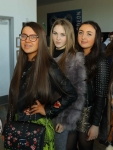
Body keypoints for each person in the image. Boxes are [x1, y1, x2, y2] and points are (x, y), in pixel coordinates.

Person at [3, 22, 78, 150]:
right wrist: (8, 125)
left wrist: (48, 110)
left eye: (33, 37)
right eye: (24, 36)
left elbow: (71, 93)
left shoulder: (48, 66)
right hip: (17, 125)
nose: (27, 40)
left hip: (37, 130)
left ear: (41, 40)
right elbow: (13, 98)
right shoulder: (22, 63)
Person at [67, 21, 110, 150]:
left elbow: (101, 96)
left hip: (87, 114)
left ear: (96, 38)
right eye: (81, 33)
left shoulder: (101, 61)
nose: (83, 37)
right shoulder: (74, 56)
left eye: (89, 34)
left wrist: (95, 124)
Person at [49, 18, 86, 150]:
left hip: (61, 115)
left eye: (62, 34)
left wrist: (65, 122)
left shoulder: (75, 59)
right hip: (45, 113)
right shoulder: (46, 55)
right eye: (55, 33)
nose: (57, 38)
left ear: (69, 36)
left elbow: (79, 94)